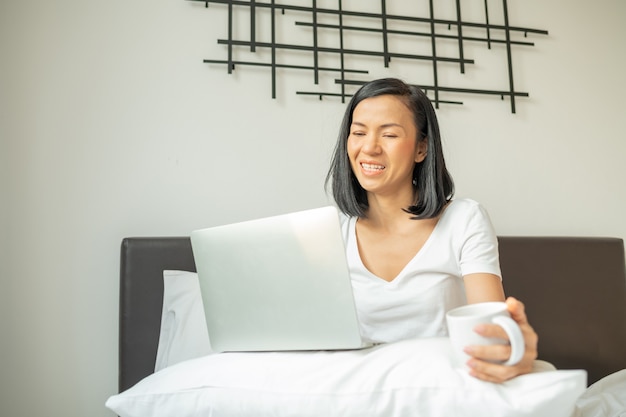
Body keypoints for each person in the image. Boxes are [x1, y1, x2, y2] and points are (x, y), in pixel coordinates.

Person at [325, 77, 538, 383]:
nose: (369, 148)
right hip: (364, 392)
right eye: (358, 133)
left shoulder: (464, 219)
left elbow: (492, 333)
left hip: (443, 385)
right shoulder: (332, 236)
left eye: (389, 135)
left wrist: (510, 349)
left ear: (421, 148)